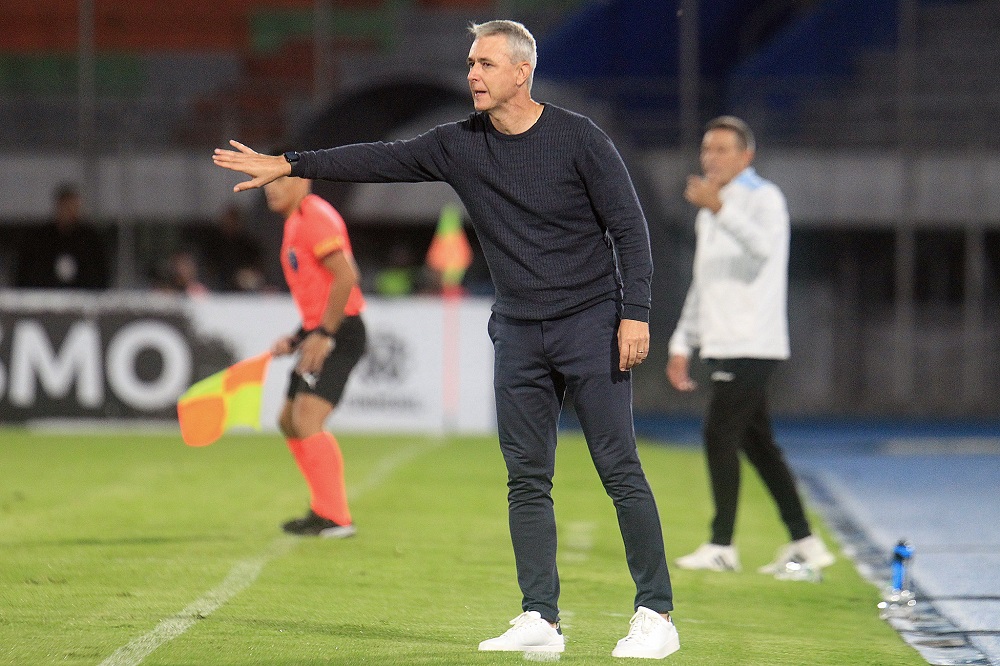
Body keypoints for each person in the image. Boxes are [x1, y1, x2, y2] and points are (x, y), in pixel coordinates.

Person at [213, 19, 678, 660]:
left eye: (486, 64)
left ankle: (656, 613)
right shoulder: (459, 145)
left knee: (618, 468)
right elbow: (378, 159)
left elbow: (630, 229)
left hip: (589, 323)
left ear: (523, 71)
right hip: (518, 330)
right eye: (470, 63)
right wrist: (291, 163)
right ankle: (540, 618)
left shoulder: (580, 139)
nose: (472, 75)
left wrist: (636, 313)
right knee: (526, 478)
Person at [665, 116, 835, 575]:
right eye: (707, 149)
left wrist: (721, 208)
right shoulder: (711, 208)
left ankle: (722, 546)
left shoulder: (764, 198)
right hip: (722, 340)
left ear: (746, 156)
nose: (711, 157)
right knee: (757, 444)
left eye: (722, 149)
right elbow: (703, 282)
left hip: (753, 341)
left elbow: (764, 249)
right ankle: (806, 541)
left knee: (719, 433)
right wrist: (682, 342)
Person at [265, 162, 368, 539]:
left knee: (306, 418)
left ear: (303, 179)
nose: (271, 187)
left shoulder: (314, 218)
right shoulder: (295, 222)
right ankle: (322, 509)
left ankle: (337, 518)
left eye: (280, 178)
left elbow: (347, 276)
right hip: (319, 331)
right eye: (267, 181)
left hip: (340, 331)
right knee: (289, 419)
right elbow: (319, 293)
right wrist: (297, 337)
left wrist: (324, 333)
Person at [14, 183, 110, 289]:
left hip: (82, 296)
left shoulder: (90, 240)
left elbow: (99, 275)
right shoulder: (39, 239)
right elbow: (27, 274)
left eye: (73, 207)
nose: (70, 212)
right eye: (66, 207)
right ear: (59, 207)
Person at [198, 204, 269, 292]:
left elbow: (258, 269)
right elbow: (207, 267)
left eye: (233, 220)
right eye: (228, 220)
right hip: (217, 288)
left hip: (243, 290)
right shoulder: (213, 244)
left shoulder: (248, 245)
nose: (230, 224)